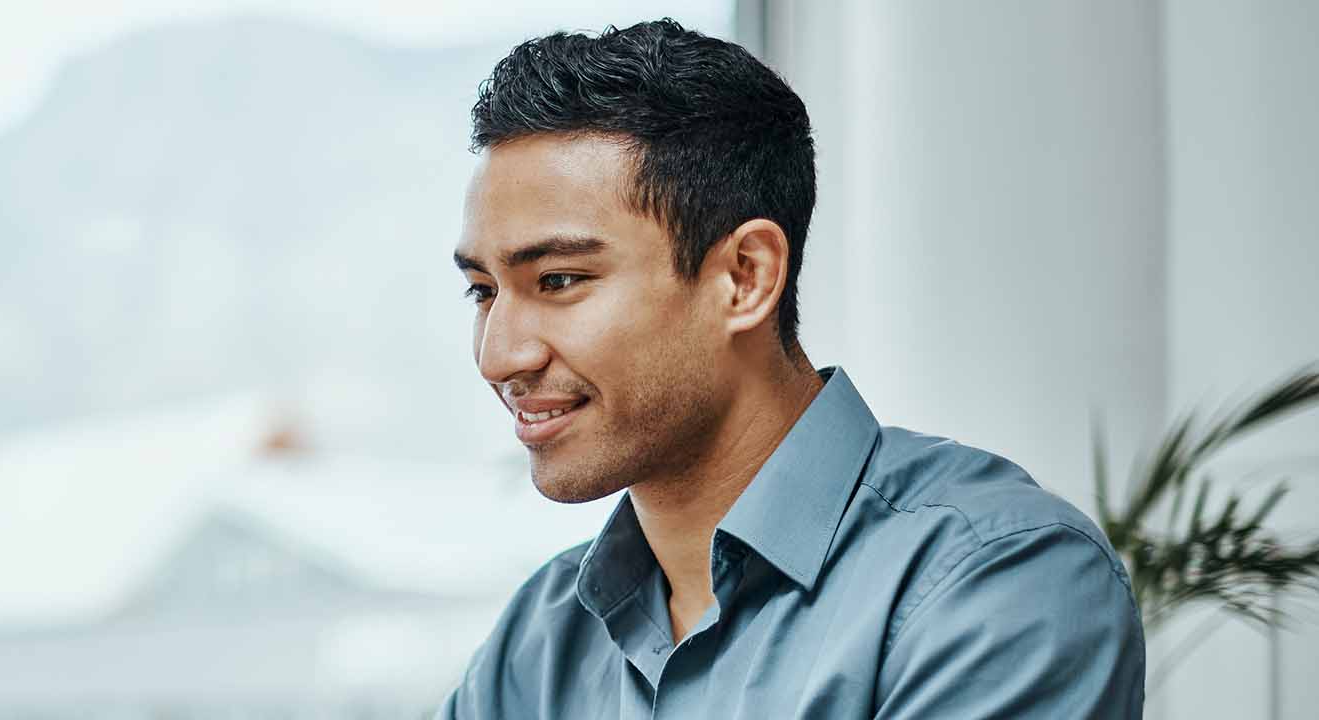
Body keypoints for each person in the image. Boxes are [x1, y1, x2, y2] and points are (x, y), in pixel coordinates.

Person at [438, 19, 1144, 718]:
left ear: (745, 278)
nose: (500, 356)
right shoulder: (540, 640)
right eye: (483, 291)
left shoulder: (997, 580)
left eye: (558, 281)